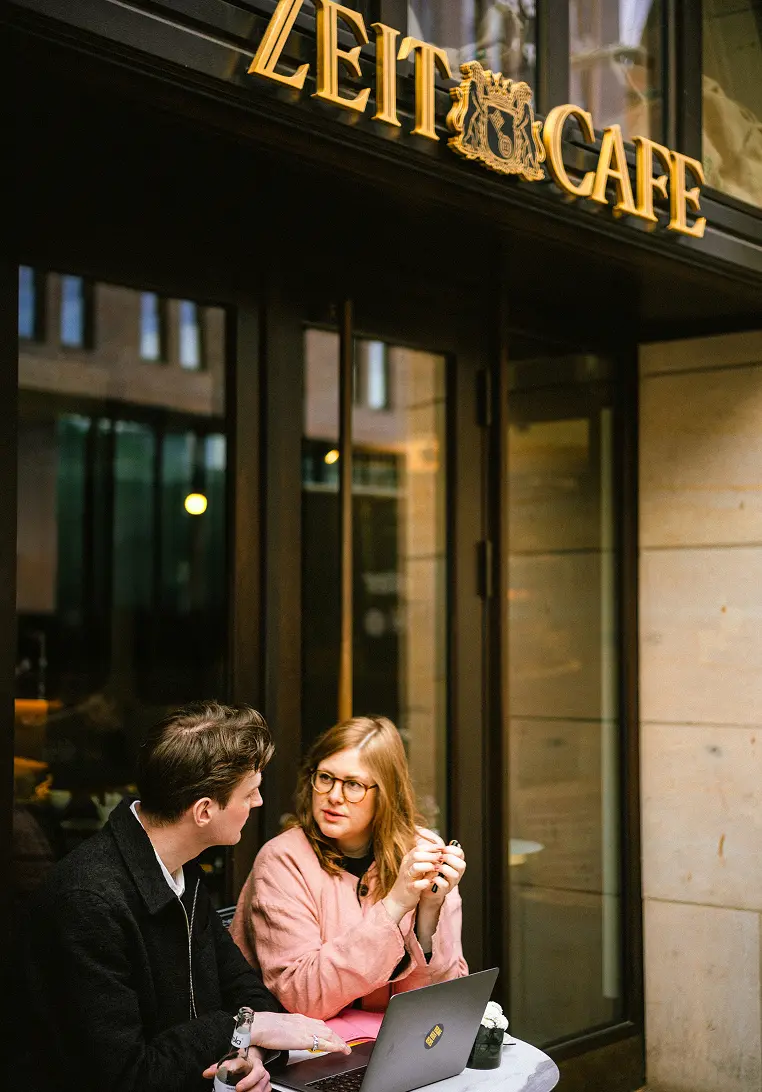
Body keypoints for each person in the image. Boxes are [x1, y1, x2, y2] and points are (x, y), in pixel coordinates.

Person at [19, 701, 350, 1092]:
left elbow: (245, 988)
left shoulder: (179, 866)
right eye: (250, 793)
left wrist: (248, 1051)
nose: (258, 803)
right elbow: (127, 1076)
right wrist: (243, 1028)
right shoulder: (88, 902)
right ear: (204, 811)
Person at [230, 715, 467, 1032]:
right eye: (325, 777)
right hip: (303, 1057)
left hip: (393, 1049)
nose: (334, 796)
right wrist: (395, 904)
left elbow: (442, 1001)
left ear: (385, 793)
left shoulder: (421, 859)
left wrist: (429, 914)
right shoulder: (282, 860)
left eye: (353, 784)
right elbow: (304, 998)